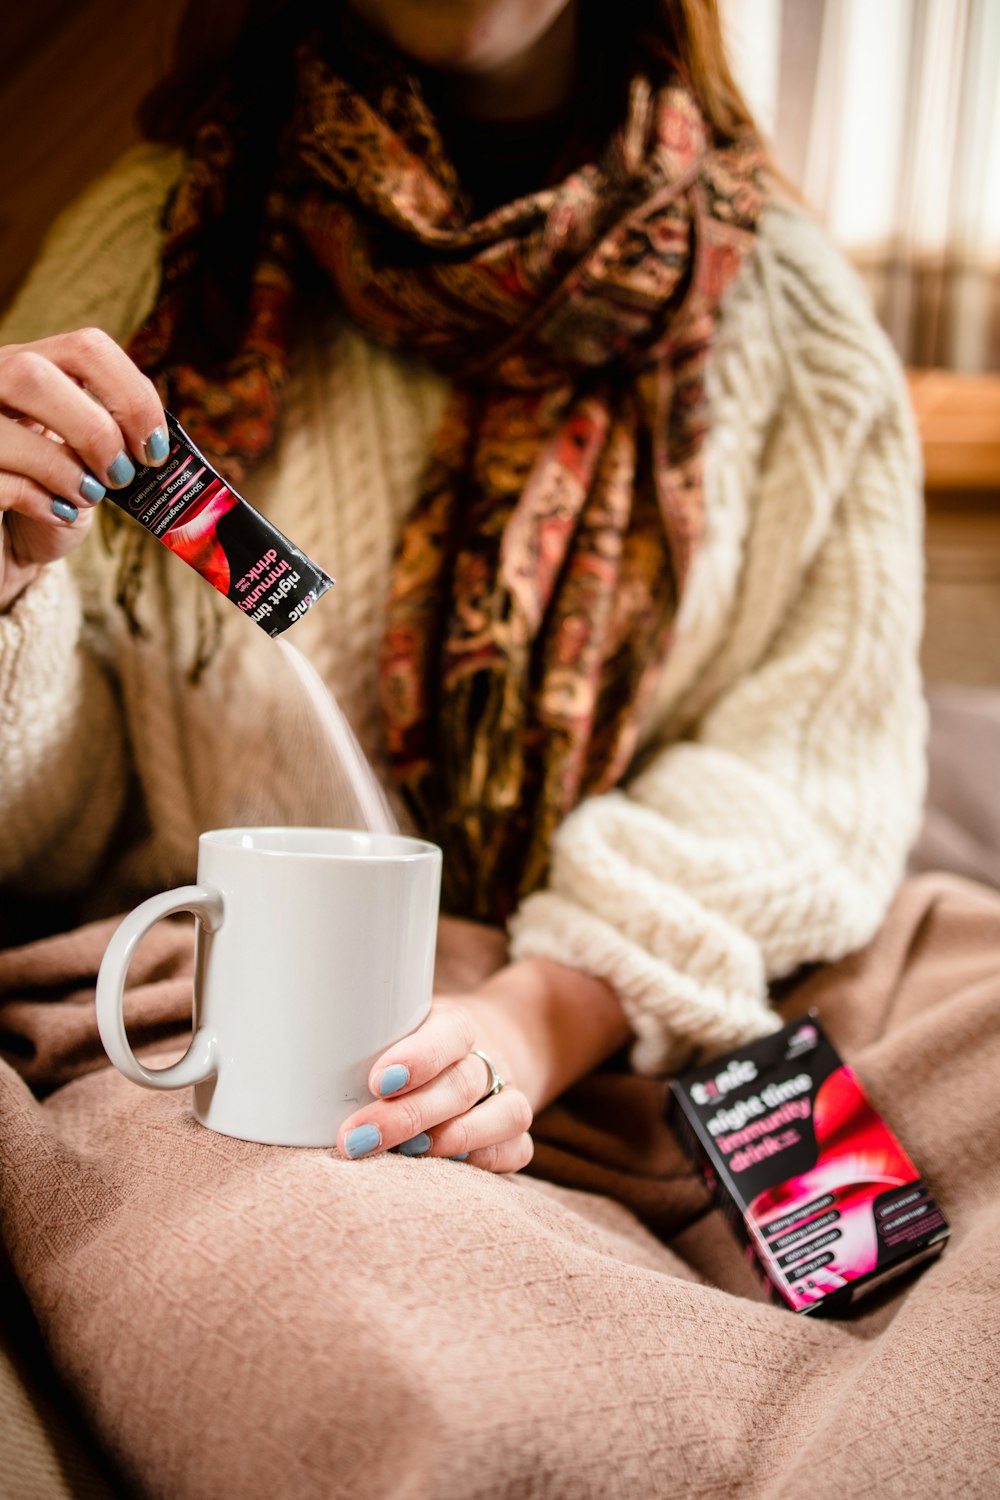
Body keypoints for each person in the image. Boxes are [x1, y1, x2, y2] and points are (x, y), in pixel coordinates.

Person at [0, 0, 925, 1181]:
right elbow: (37, 838)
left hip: (638, 1016)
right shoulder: (155, 252)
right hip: (250, 1018)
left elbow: (806, 769)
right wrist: (8, 592)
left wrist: (535, 1020)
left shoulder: (800, 328)